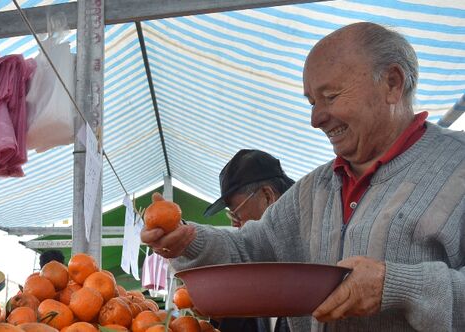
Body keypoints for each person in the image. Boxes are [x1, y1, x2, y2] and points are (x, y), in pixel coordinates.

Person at [142, 22, 465, 331]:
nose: (316, 118)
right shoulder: (312, 191)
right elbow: (250, 252)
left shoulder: (457, 164)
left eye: (331, 96)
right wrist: (190, 241)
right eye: (312, 102)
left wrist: (396, 286)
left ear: (392, 83)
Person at [201, 149, 294, 332]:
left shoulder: (310, 249)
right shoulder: (260, 265)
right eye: (232, 218)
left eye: (237, 215)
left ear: (268, 196)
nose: (237, 225)